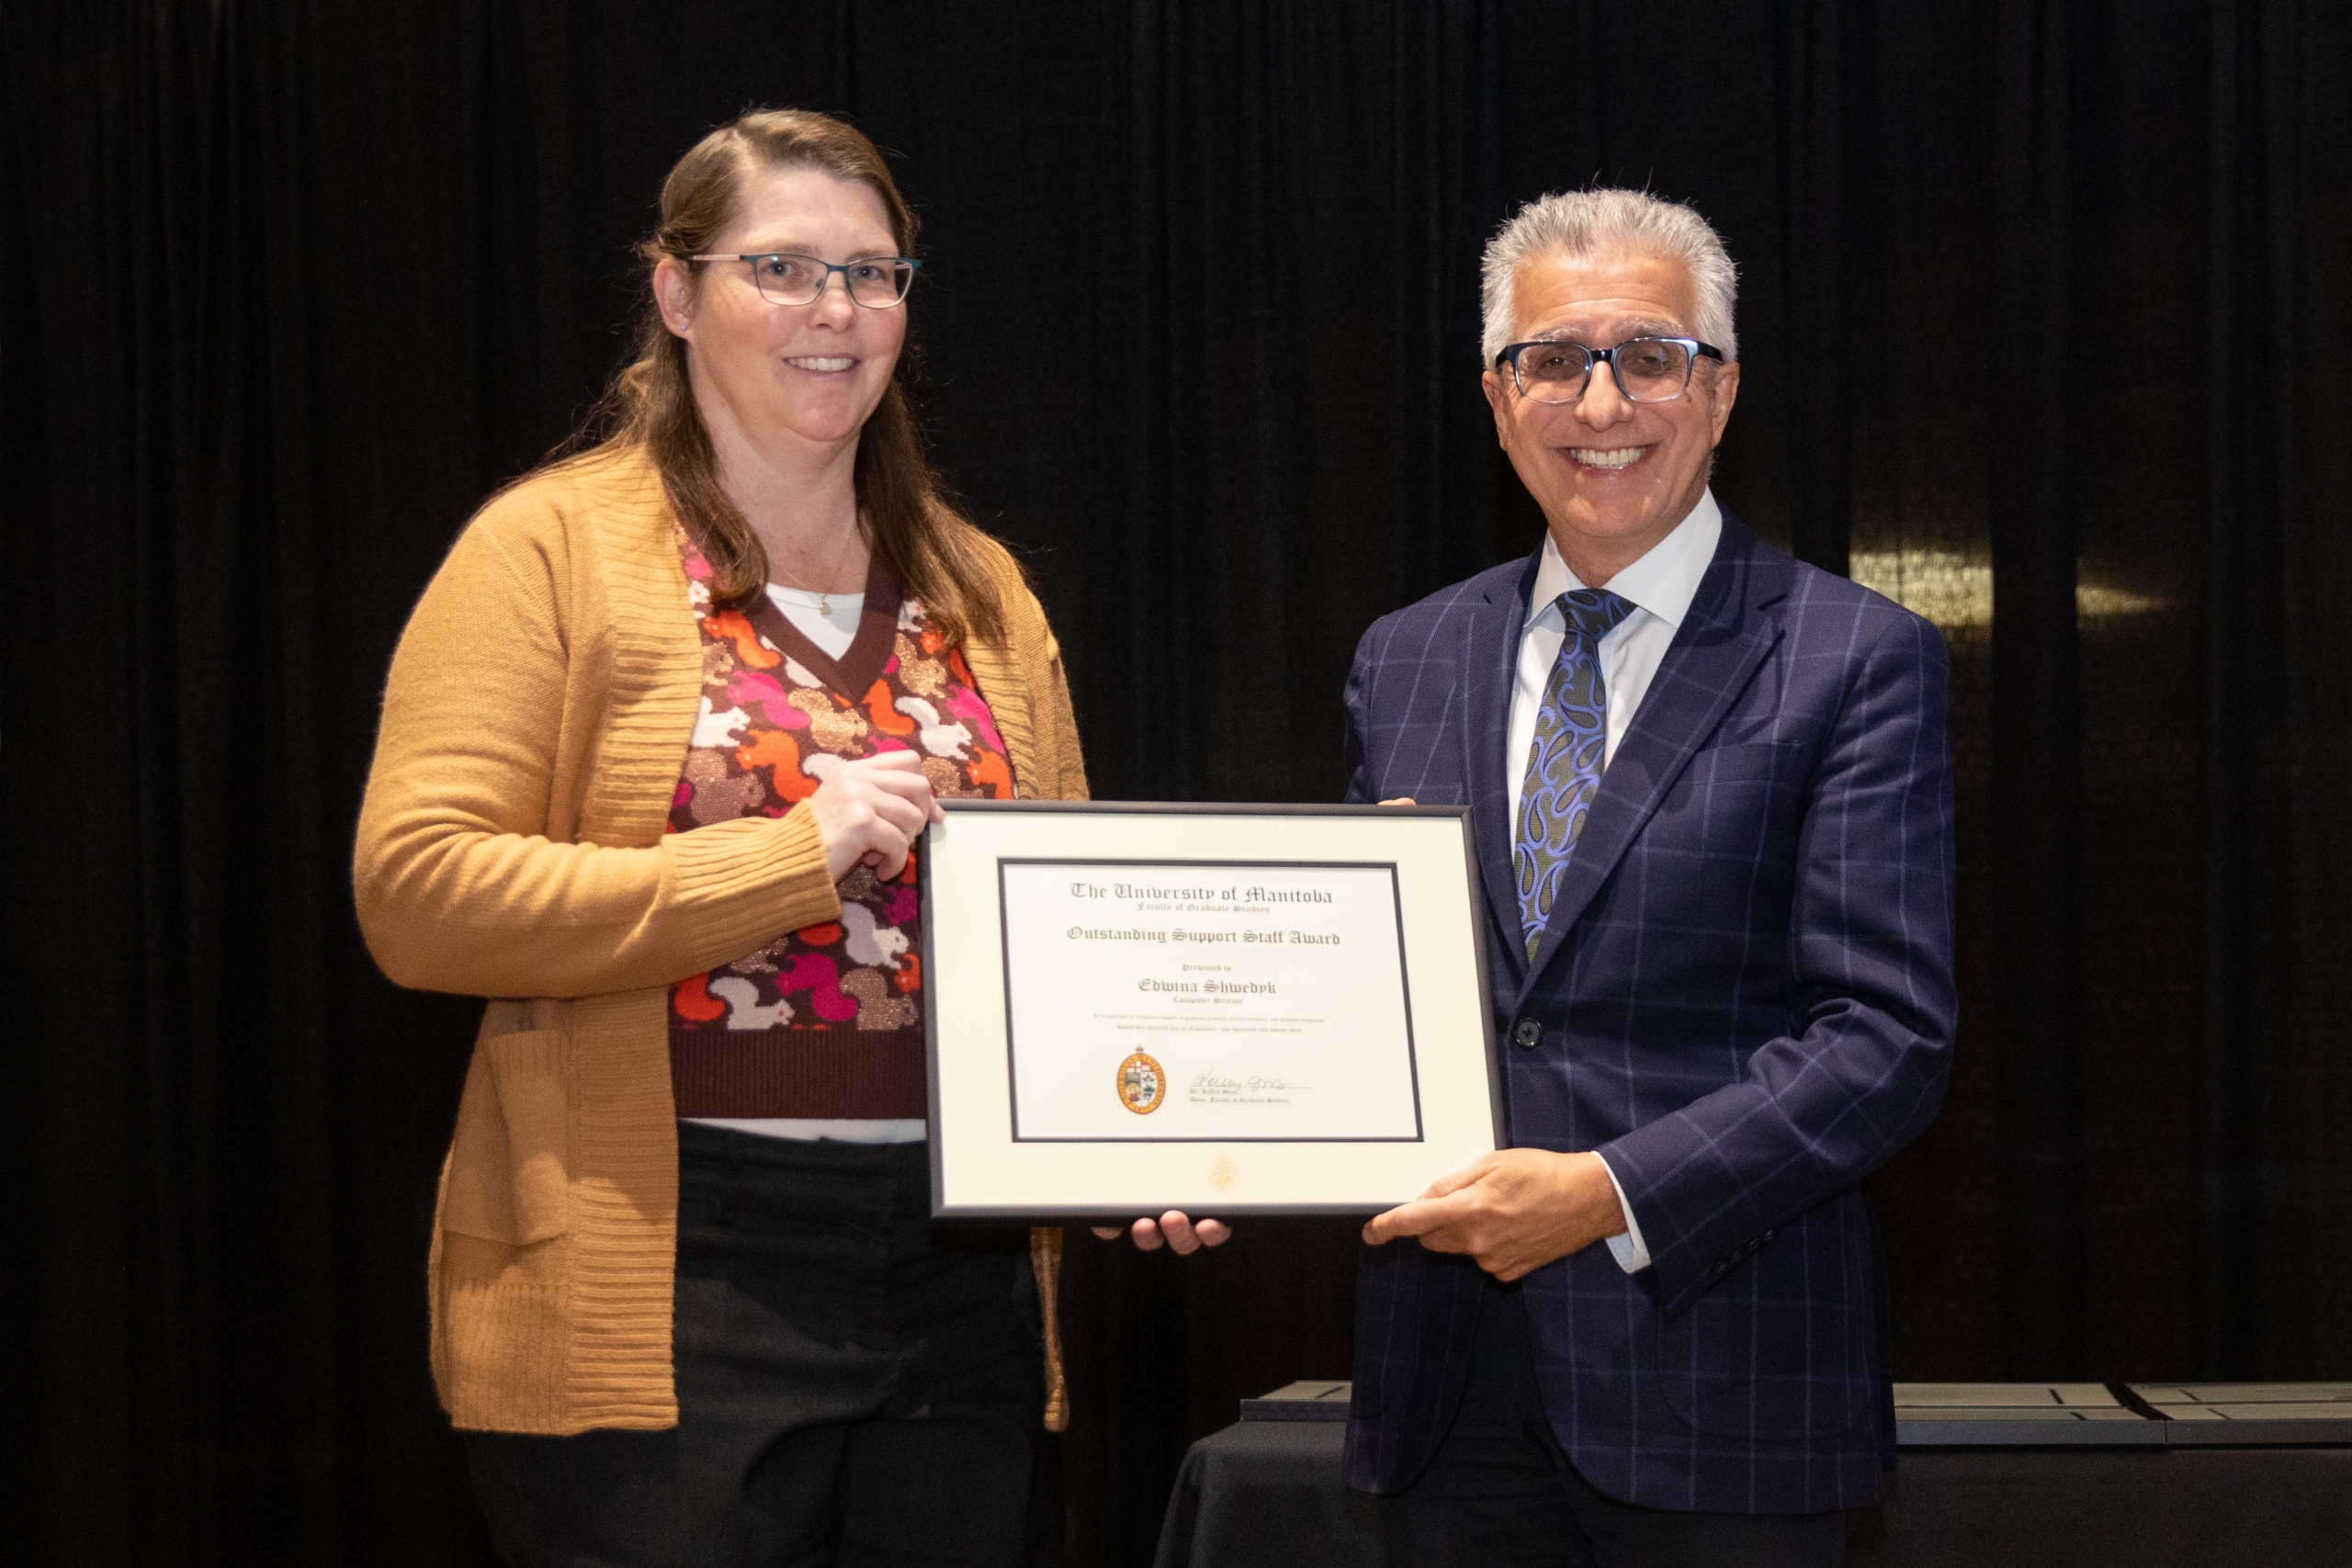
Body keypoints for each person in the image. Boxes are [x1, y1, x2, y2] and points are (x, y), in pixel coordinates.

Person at [354, 107, 1213, 1567]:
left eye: (873, 274)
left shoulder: (982, 590)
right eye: (782, 268)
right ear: (678, 294)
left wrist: (1148, 1131)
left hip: (961, 1269)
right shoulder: (547, 551)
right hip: (667, 1259)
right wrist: (786, 860)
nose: (837, 310)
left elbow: (1071, 926)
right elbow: (420, 893)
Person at [1341, 188, 1957, 1565]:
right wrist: (1208, 1145)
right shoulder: (1405, 656)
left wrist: (1606, 1192)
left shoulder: (1855, 658)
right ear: (1499, 398)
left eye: (1650, 357)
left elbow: (1884, 1040)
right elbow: (1352, 1003)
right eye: (1554, 359)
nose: (1601, 402)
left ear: (1721, 391)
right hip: (1442, 1390)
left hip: (1725, 1384)